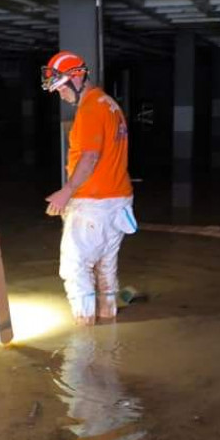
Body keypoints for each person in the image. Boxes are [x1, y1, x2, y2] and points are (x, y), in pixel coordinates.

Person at [41, 51, 137, 326]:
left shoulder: (90, 109)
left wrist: (66, 191)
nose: (60, 95)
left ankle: (85, 336)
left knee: (75, 267)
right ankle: (108, 320)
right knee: (105, 264)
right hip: (118, 200)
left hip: (94, 203)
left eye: (61, 89)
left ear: (77, 77)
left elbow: (90, 157)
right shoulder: (110, 105)